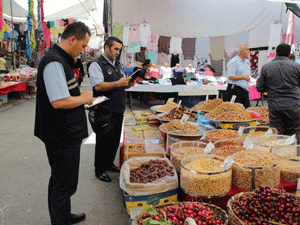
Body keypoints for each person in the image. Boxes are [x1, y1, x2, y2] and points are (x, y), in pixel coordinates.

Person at [34, 21, 93, 225]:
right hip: (60, 134)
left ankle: (64, 215)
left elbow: (65, 94)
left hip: (65, 131)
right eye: (83, 46)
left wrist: (81, 98)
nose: (83, 51)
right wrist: (85, 98)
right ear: (72, 39)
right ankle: (60, 221)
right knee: (62, 184)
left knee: (63, 180)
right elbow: (58, 101)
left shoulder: (62, 60)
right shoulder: (54, 62)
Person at [88, 36, 134, 182]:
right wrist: (119, 83)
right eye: (115, 49)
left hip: (118, 108)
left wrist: (127, 84)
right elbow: (99, 86)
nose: (117, 52)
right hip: (104, 109)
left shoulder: (117, 64)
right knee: (103, 141)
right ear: (106, 47)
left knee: (114, 140)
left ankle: (109, 164)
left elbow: (119, 83)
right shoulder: (96, 65)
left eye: (119, 50)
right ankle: (99, 169)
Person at [256, 43, 300, 144]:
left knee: (276, 134)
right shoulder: (297, 67)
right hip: (293, 106)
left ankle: (277, 155)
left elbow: (259, 87)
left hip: (275, 106)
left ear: (276, 54)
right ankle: (293, 156)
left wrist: (270, 87)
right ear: (289, 55)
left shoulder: (266, 67)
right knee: (294, 133)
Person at [226, 43, 251, 108]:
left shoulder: (247, 61)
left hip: (244, 90)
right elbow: (230, 76)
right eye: (247, 49)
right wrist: (243, 77)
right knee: (235, 111)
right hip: (235, 90)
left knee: (247, 111)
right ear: (241, 52)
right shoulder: (233, 62)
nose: (249, 51)